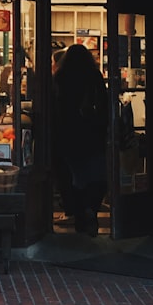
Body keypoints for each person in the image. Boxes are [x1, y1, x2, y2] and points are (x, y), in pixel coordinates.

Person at [51, 44, 109, 235]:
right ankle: (90, 208)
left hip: (67, 133)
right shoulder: (94, 76)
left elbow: (53, 107)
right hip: (91, 133)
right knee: (94, 173)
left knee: (71, 176)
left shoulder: (60, 78)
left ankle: (78, 213)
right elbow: (104, 105)